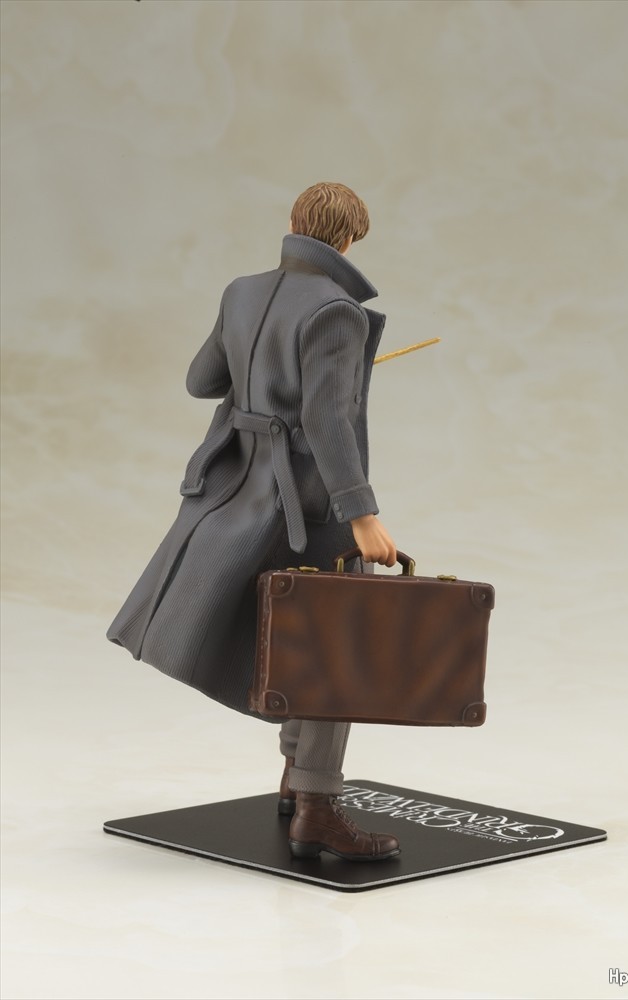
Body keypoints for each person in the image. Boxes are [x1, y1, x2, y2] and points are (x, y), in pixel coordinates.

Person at [108, 182, 400, 861]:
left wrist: (262, 371)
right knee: (333, 648)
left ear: (294, 222)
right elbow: (327, 423)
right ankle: (318, 808)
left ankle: (299, 781)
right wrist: (361, 513)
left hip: (240, 487)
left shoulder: (241, 292)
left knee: (306, 640)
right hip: (308, 503)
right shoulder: (337, 311)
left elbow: (201, 380)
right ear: (348, 239)